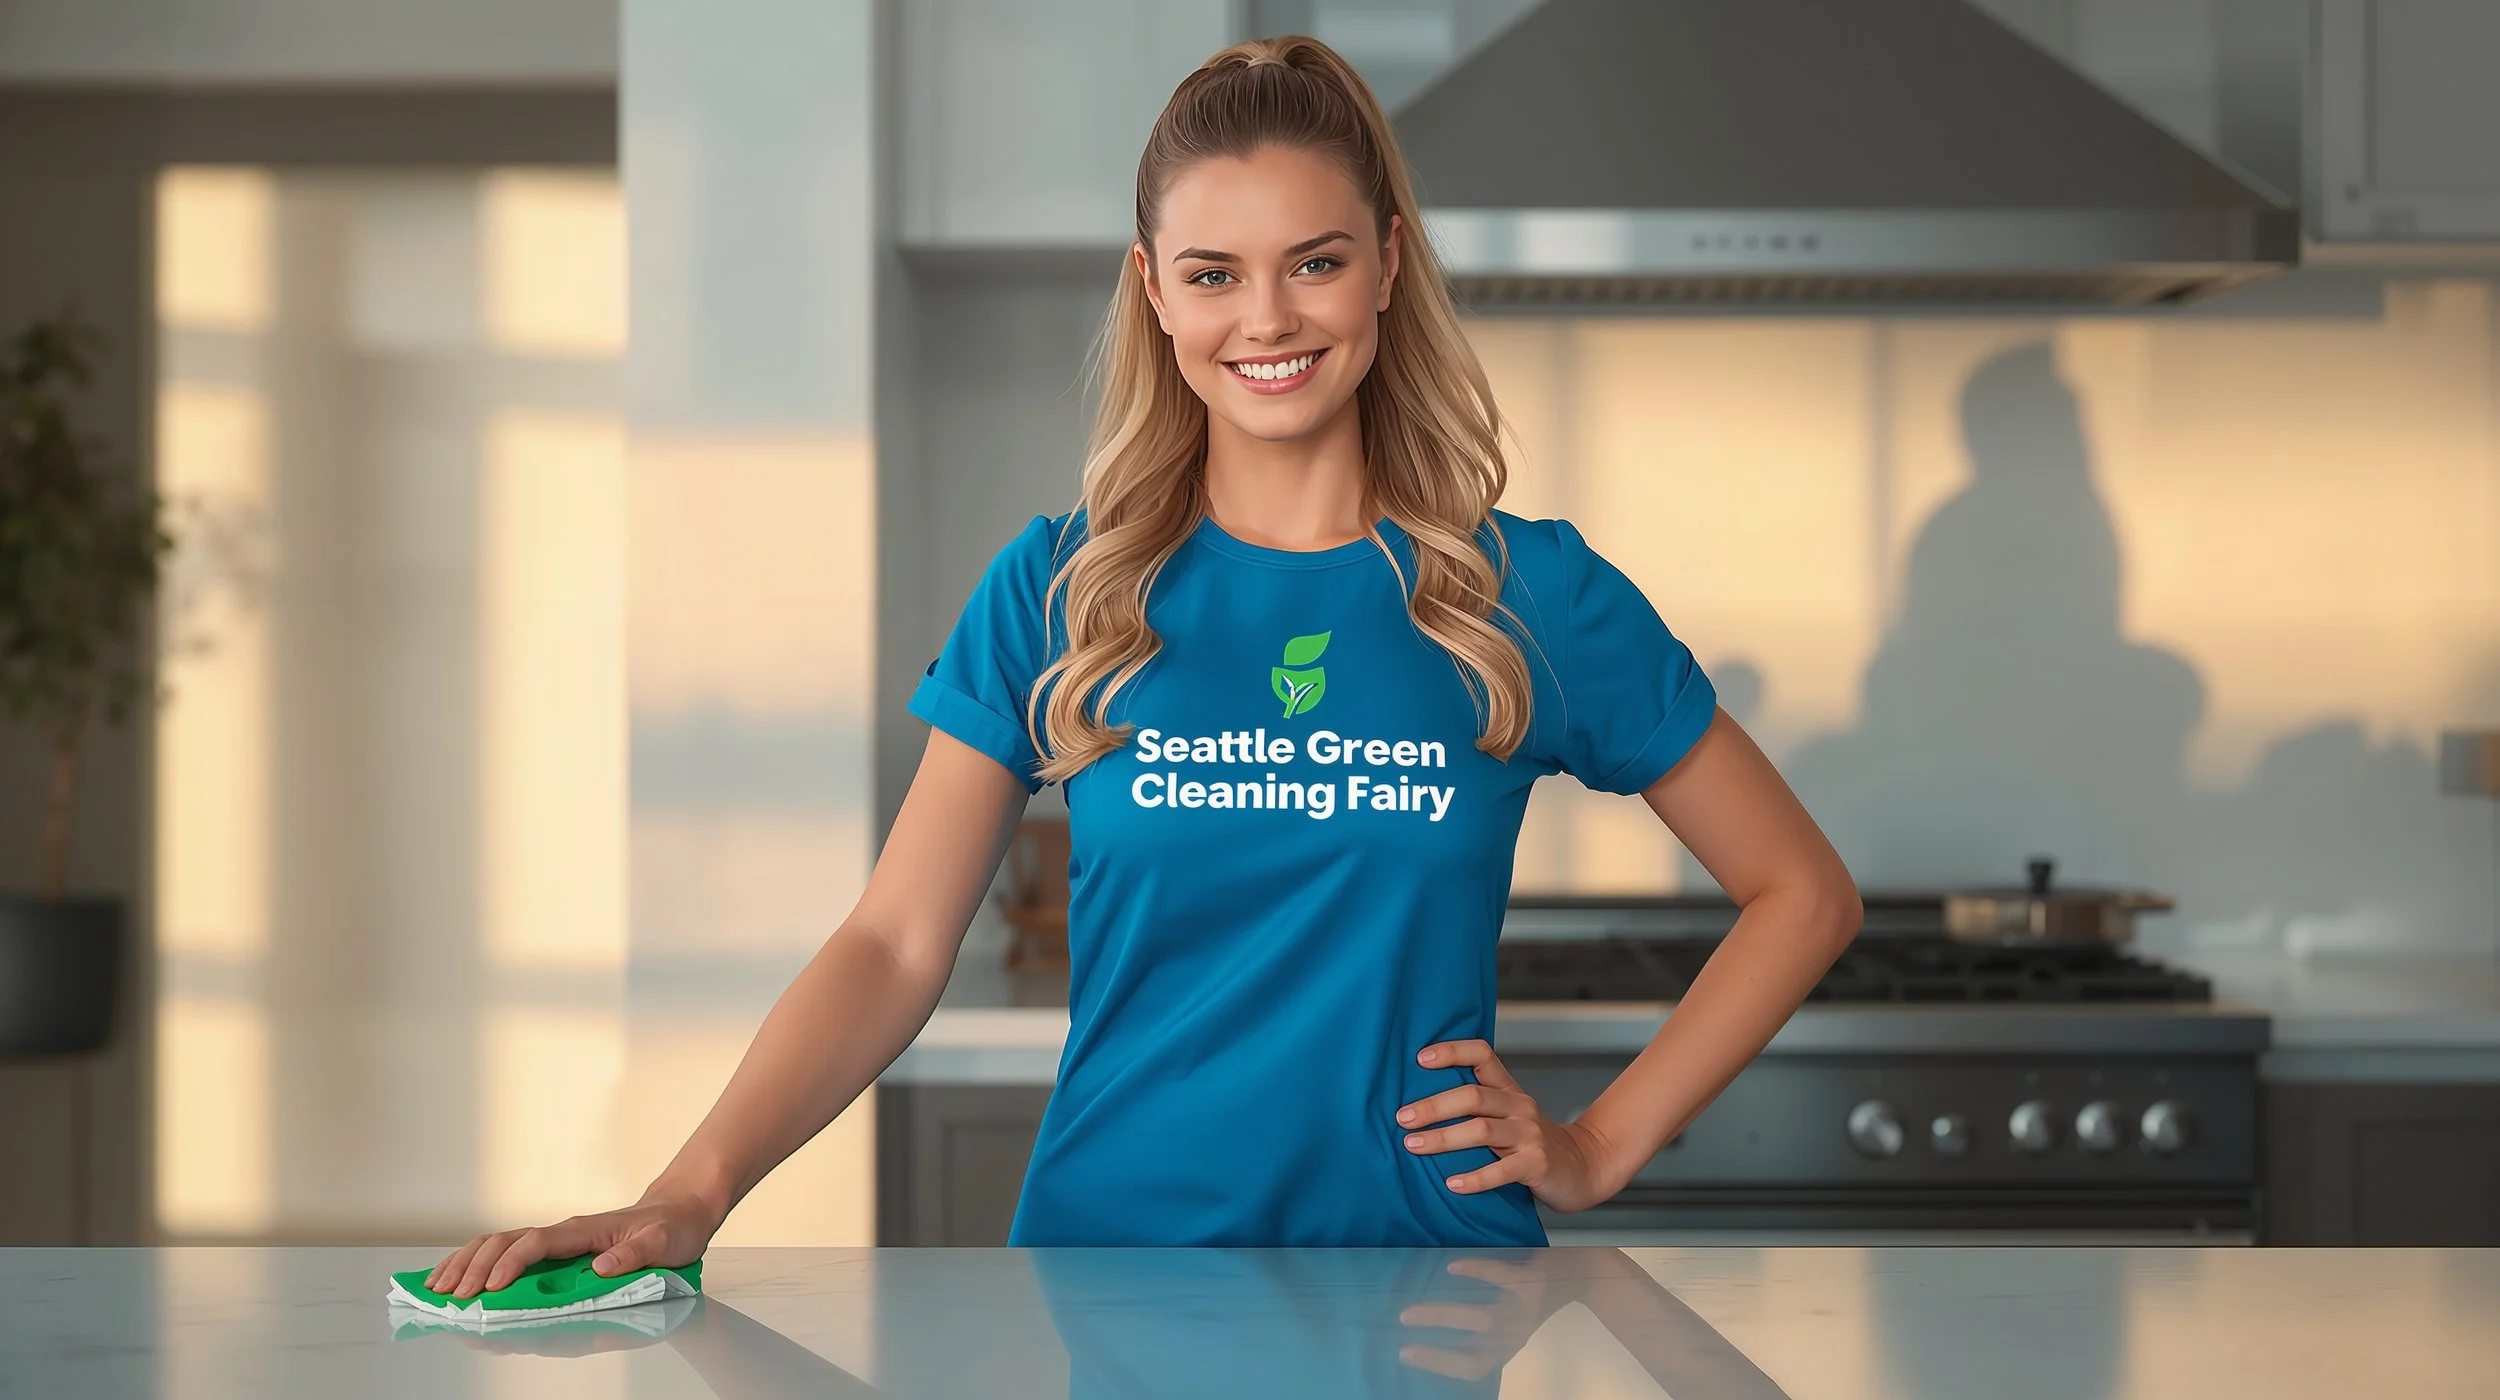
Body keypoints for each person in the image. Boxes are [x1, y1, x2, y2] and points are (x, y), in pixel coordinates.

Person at [425, 34, 1859, 1294]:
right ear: (1156, 295)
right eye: (1213, 274)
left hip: (1428, 1290)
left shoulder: (1524, 593)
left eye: (1316, 262)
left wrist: (1599, 1144)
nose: (1270, 319)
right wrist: (693, 1188)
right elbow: (894, 942)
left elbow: (1802, 893)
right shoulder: (1060, 589)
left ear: (1386, 268)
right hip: (1116, 1281)